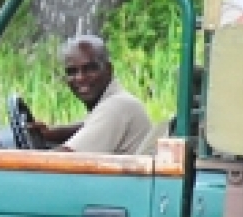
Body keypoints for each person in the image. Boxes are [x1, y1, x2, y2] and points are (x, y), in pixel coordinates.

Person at [25, 36, 158, 155]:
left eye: (89, 69)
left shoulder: (116, 107)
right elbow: (89, 126)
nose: (80, 78)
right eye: (72, 71)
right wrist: (50, 134)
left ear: (108, 70)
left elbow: (60, 160)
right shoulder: (114, 102)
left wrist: (12, 161)